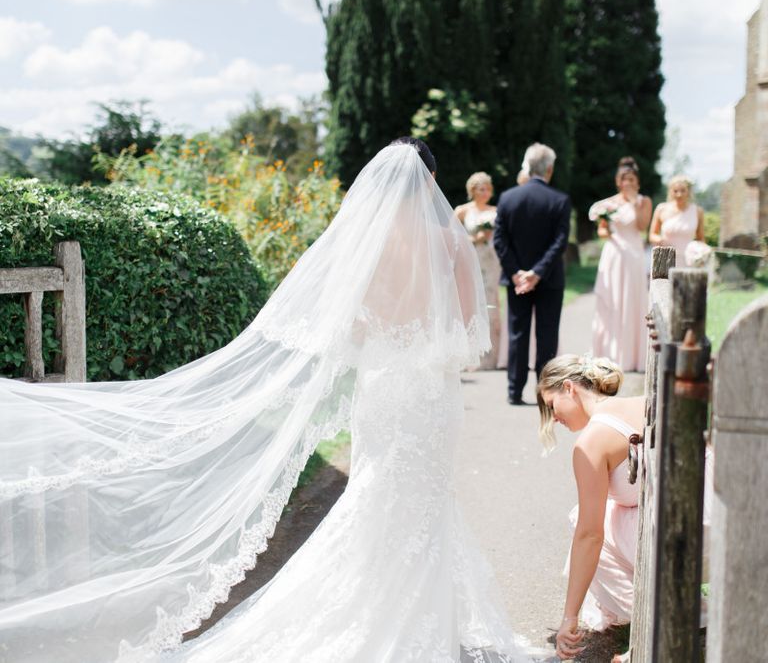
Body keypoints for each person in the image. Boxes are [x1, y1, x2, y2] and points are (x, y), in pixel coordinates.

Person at [0, 139, 534, 662]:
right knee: (425, 496)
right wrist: (424, 343)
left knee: (378, 496)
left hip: (383, 390)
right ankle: (416, 622)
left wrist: (384, 335)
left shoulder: (364, 244)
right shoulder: (450, 241)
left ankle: (384, 610)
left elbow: (346, 325)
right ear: (432, 183)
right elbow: (468, 338)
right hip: (428, 395)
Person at [536, 354, 642, 660]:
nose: (553, 417)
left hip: (688, 533)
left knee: (582, 522)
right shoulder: (641, 401)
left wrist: (569, 617)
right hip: (719, 512)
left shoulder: (590, 443)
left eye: (551, 405)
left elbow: (589, 535)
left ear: (569, 388)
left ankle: (657, 610)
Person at [494, 143, 571, 405]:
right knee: (547, 335)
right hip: (549, 279)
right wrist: (537, 273)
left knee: (518, 333)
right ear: (549, 168)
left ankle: (514, 391)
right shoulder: (560, 200)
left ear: (528, 166)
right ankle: (546, 393)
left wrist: (517, 273)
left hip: (516, 280)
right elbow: (560, 242)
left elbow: (499, 240)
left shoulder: (507, 198)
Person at [589, 157, 652, 373]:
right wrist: (608, 234)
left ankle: (634, 356)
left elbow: (643, 226)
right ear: (618, 182)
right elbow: (602, 230)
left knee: (634, 301)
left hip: (634, 253)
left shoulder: (644, 201)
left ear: (637, 182)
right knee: (613, 300)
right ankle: (611, 353)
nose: (628, 183)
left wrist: (634, 202)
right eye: (624, 180)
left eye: (632, 179)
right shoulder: (609, 204)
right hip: (614, 254)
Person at [455, 172, 503, 370]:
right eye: (481, 189)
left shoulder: (496, 211)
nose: (486, 192)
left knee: (491, 303)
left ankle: (492, 356)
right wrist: (476, 238)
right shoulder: (462, 211)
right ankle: (468, 355)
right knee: (469, 303)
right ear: (472, 190)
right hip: (470, 260)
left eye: (488, 189)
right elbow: (452, 237)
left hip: (491, 261)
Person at [648, 175, 705, 267]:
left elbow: (701, 238)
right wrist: (660, 240)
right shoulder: (661, 209)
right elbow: (652, 235)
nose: (679, 194)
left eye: (683, 190)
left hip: (688, 261)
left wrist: (702, 255)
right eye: (675, 191)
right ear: (670, 192)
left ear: (688, 192)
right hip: (665, 259)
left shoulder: (698, 211)